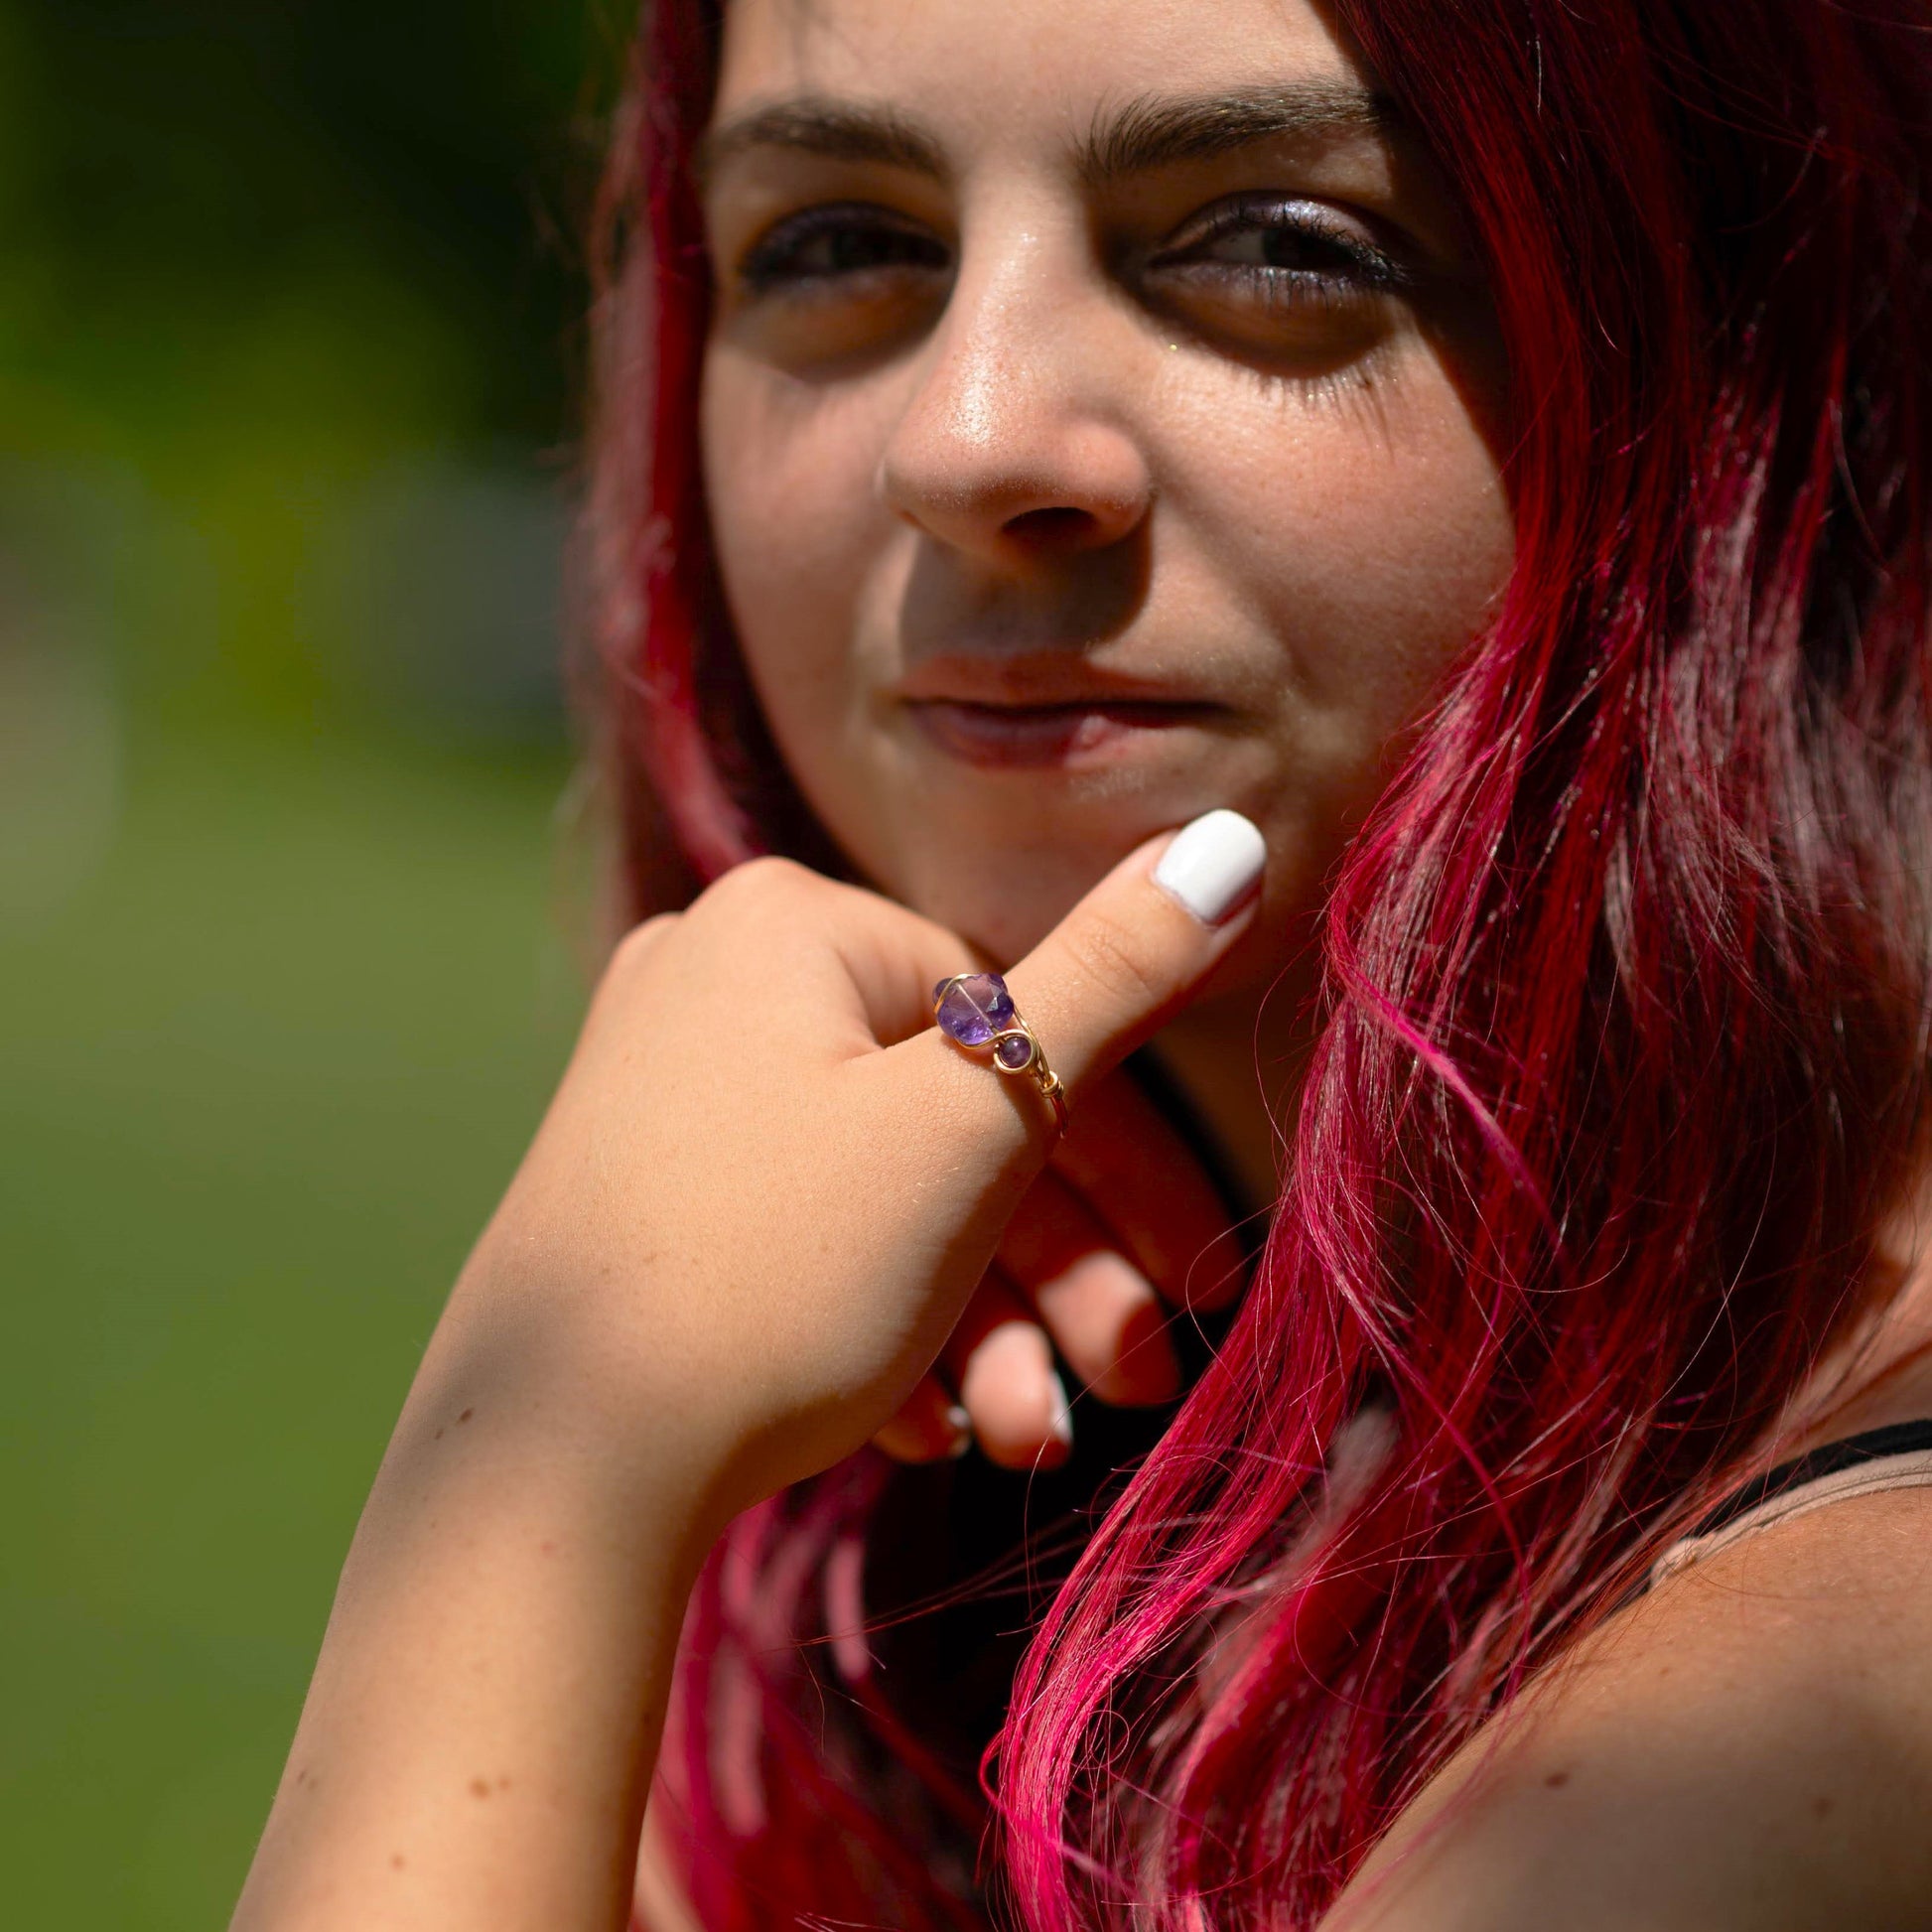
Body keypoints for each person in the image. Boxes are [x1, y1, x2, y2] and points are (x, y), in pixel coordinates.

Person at [230, 0, 1932, 1926]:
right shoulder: (912, 1504)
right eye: (842, 242)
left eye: (1281, 244)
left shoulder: (1801, 1713)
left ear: (1745, 356)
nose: (968, 442)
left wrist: (539, 1471)